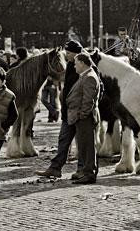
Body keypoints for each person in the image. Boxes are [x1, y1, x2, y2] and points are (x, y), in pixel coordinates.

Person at [35, 40, 85, 179]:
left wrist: (82, 111)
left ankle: (82, 170)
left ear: (76, 53)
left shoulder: (84, 68)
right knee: (63, 140)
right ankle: (55, 168)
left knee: (82, 143)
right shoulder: (71, 65)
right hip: (67, 111)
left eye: (68, 53)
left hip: (78, 112)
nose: (66, 55)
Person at [67, 53, 101, 184]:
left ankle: (89, 173)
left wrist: (82, 115)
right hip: (82, 117)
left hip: (85, 118)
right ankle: (85, 171)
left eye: (76, 63)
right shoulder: (86, 76)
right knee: (84, 145)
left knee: (87, 146)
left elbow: (88, 100)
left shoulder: (89, 77)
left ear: (82, 63)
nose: (74, 66)